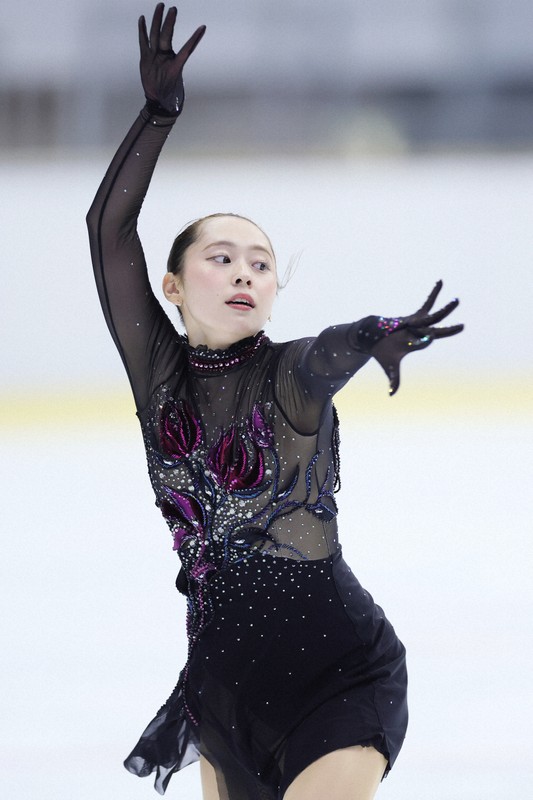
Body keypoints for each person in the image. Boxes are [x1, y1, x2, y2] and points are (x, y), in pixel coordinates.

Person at [86, 5, 463, 799]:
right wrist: (158, 115)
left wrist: (376, 331)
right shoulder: (157, 376)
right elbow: (108, 229)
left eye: (260, 263)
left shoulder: (287, 376)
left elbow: (331, 351)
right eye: (221, 258)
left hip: (340, 674)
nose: (245, 273)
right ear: (174, 285)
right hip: (222, 692)